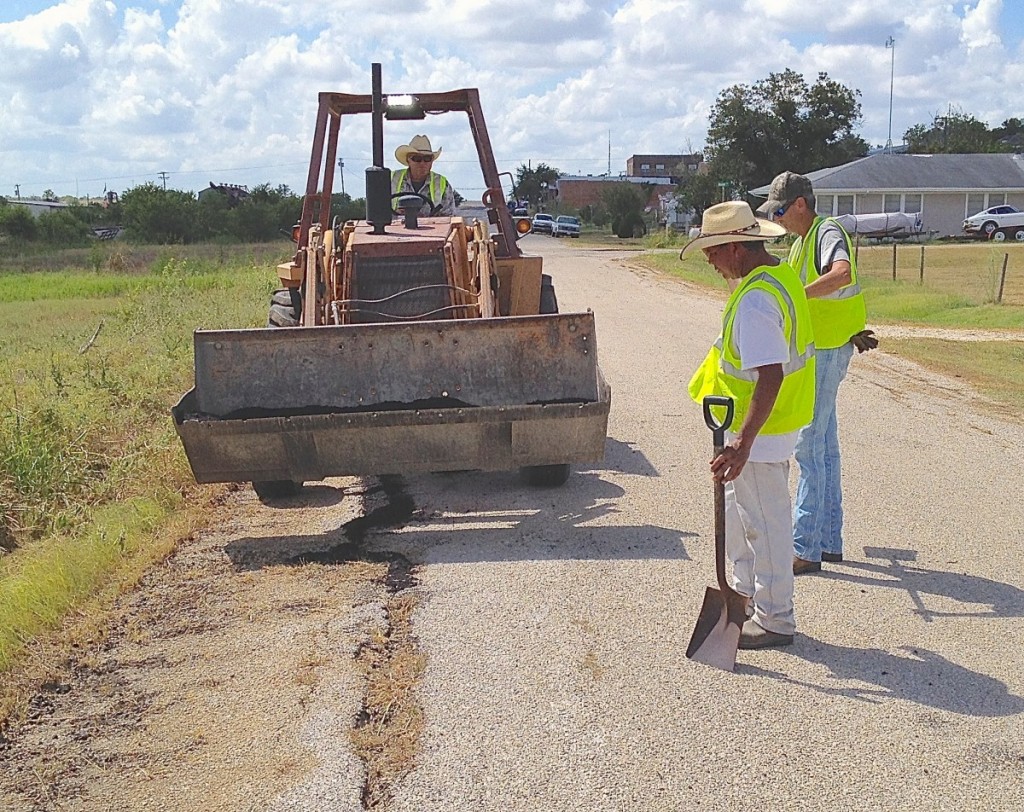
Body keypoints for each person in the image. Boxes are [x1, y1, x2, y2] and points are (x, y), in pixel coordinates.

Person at [684, 201, 816, 649]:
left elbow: (771, 373)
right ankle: (741, 598)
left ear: (737, 248)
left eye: (714, 251)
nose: (709, 260)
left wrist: (742, 442)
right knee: (748, 519)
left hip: (760, 433)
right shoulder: (778, 278)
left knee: (766, 525)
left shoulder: (757, 301)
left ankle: (776, 619)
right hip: (770, 427)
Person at [757, 172, 876, 576]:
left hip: (827, 353)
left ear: (800, 205)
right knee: (825, 447)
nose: (777, 217)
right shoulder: (800, 244)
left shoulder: (826, 233)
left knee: (809, 447)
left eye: (779, 210)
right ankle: (829, 541)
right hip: (823, 350)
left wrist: (796, 295)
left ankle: (806, 548)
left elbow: (841, 274)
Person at [391, 135, 458, 216]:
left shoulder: (442, 184)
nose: (422, 163)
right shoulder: (391, 179)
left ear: (432, 161)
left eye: (427, 158)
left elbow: (449, 217)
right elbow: (377, 211)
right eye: (417, 158)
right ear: (408, 160)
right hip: (394, 228)